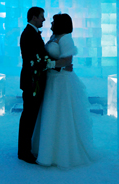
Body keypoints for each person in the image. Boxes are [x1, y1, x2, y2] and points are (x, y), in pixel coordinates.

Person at [32, 13, 97, 169]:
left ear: (60, 23)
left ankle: (62, 152)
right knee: (50, 112)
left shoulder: (66, 38)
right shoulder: (54, 36)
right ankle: (46, 149)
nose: (51, 22)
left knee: (61, 113)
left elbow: (68, 60)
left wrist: (48, 65)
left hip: (61, 81)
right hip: (52, 79)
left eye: (54, 21)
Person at [18, 7, 72, 164]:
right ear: (34, 17)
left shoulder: (32, 33)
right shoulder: (29, 34)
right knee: (28, 117)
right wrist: (57, 65)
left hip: (37, 80)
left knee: (30, 116)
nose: (44, 20)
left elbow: (41, 57)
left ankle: (25, 149)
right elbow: (35, 60)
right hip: (32, 82)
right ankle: (24, 152)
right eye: (42, 17)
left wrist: (60, 64)